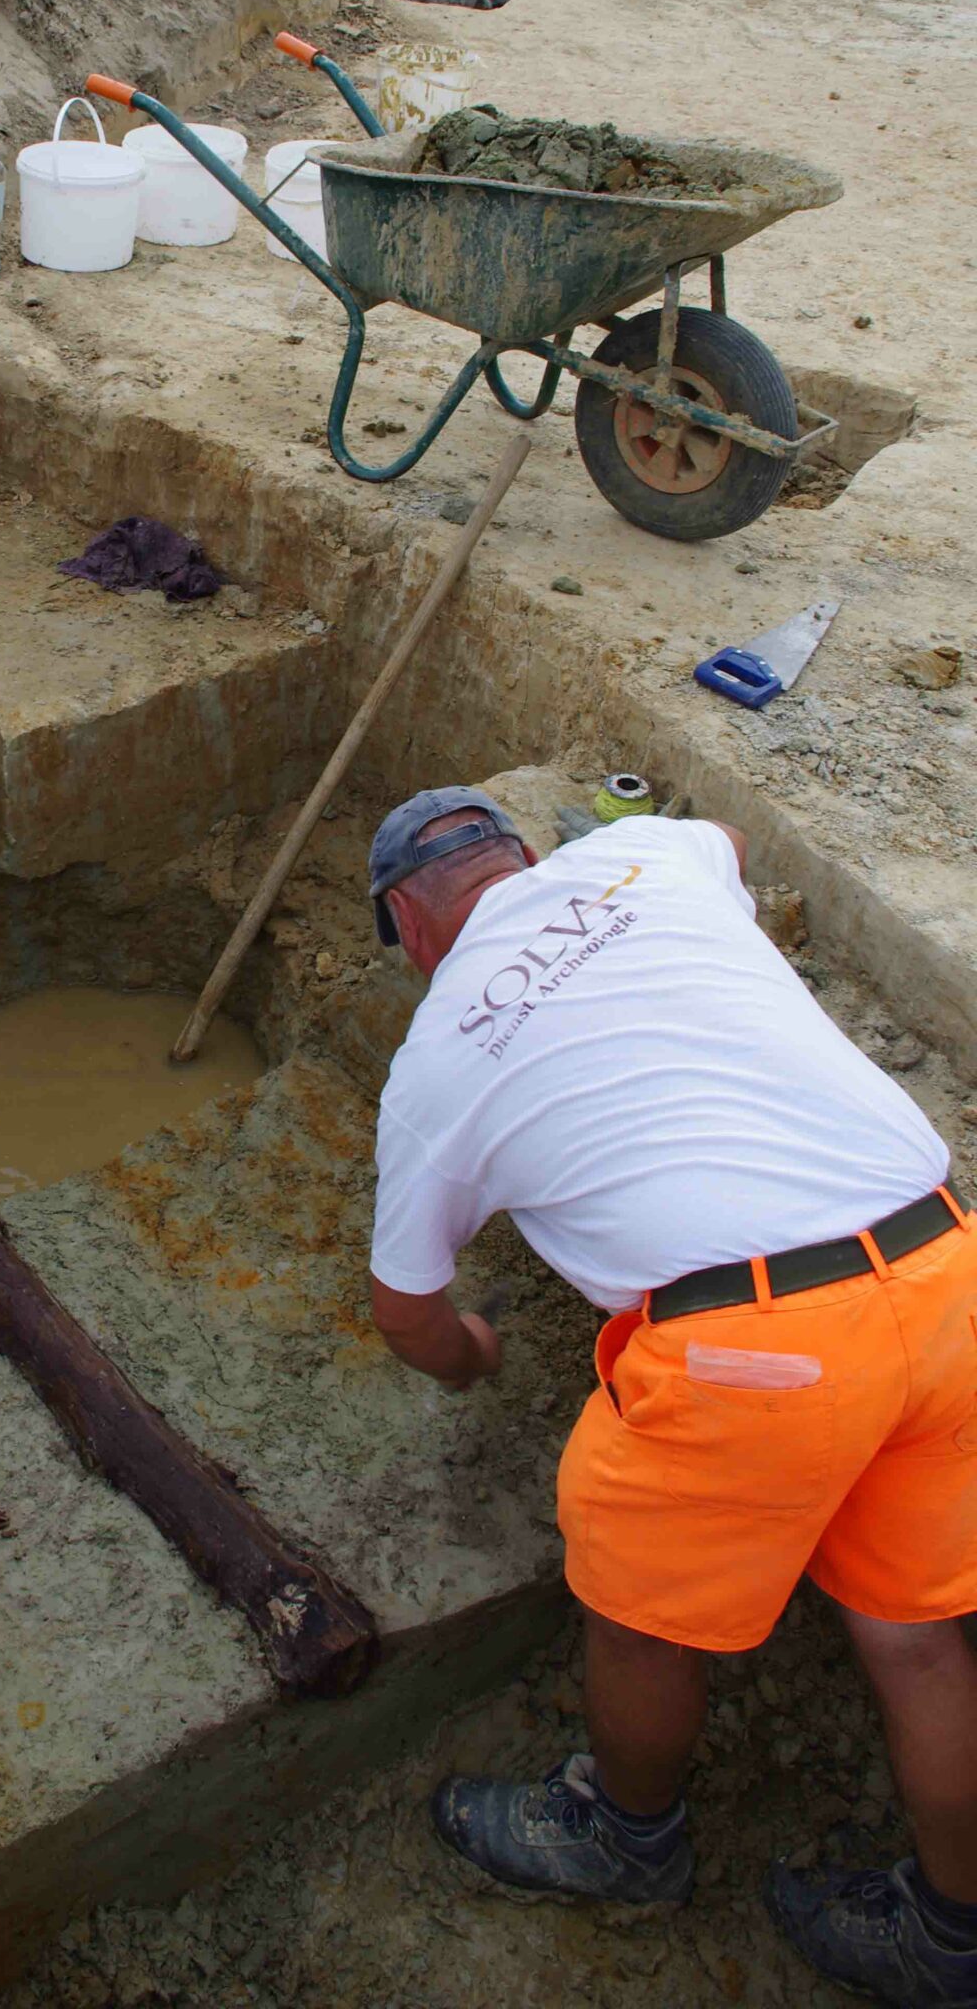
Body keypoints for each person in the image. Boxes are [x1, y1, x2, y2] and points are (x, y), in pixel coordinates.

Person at [365, 785, 977, 2007]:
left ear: (406, 924)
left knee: (643, 1616)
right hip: (946, 1270)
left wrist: (478, 1353)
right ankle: (951, 1936)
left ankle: (624, 1837)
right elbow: (731, 841)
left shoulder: (437, 1058)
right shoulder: (649, 853)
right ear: (527, 853)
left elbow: (407, 1314)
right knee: (914, 1640)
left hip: (756, 1359)